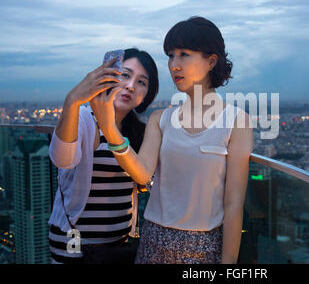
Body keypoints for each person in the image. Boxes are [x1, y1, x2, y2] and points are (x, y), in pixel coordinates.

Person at [92, 16, 253, 264]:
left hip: (204, 248)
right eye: (170, 55)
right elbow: (143, 174)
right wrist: (109, 129)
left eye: (184, 54)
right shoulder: (160, 120)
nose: (173, 65)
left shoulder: (236, 122)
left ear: (211, 61)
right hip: (153, 241)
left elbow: (233, 205)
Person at [48, 48, 159, 264]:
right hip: (74, 243)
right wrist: (72, 101)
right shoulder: (83, 118)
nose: (130, 86)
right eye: (125, 75)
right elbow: (63, 160)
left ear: (147, 95)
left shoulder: (138, 132)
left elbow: (146, 180)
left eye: (142, 82)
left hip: (118, 246)